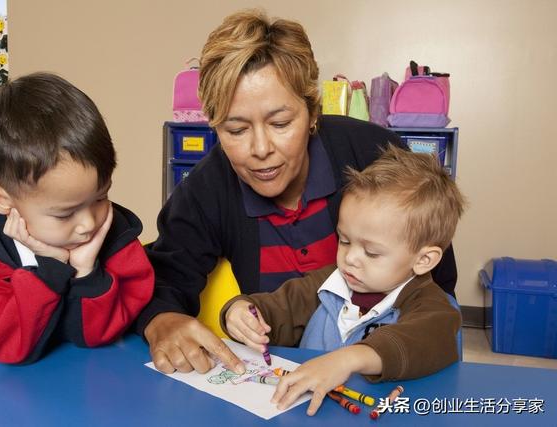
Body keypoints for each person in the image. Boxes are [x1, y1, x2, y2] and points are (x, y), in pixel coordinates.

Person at [137, 9, 458, 375]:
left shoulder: (374, 155)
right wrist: (162, 320)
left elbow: (436, 286)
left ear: (312, 112)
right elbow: (168, 278)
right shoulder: (206, 189)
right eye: (236, 129)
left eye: (280, 123)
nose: (260, 148)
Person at [220, 144, 466, 415]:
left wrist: (349, 359)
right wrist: (242, 312)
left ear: (423, 260)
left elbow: (424, 340)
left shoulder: (436, 309)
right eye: (345, 241)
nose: (350, 258)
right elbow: (277, 307)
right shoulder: (329, 281)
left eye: (371, 252)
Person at [0, 72, 155, 364]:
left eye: (100, 197)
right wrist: (51, 267)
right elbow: (7, 348)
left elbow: (98, 336)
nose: (88, 224)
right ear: (2, 201)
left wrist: (87, 272)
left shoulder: (117, 237)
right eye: (65, 213)